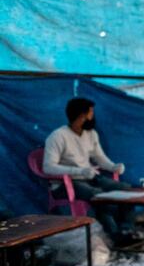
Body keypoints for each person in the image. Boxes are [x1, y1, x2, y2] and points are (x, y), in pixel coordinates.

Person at [43, 98, 136, 247]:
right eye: (90, 113)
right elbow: (48, 167)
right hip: (65, 185)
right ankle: (115, 235)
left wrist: (113, 166)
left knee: (125, 189)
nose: (93, 117)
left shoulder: (91, 134)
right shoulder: (57, 136)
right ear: (81, 116)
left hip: (90, 178)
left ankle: (127, 230)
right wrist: (78, 171)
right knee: (100, 196)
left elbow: (99, 158)